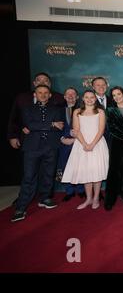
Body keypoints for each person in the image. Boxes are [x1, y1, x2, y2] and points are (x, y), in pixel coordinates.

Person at [11, 85, 64, 222]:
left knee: (48, 174)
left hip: (51, 146)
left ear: (50, 95)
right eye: (40, 92)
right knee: (29, 177)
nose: (43, 95)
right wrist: (52, 124)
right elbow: (30, 125)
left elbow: (61, 126)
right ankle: (21, 207)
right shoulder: (27, 109)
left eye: (46, 93)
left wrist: (39, 126)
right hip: (32, 147)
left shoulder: (57, 109)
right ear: (35, 94)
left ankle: (45, 198)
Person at [61, 90, 109, 210]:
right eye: (86, 97)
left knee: (97, 172)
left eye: (92, 97)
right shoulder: (77, 112)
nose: (89, 99)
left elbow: (101, 130)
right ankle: (88, 199)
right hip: (81, 145)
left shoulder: (100, 111)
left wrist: (92, 144)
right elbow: (76, 130)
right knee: (86, 172)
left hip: (97, 144)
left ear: (95, 98)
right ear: (82, 98)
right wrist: (84, 144)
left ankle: (96, 198)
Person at [8, 72, 65, 150]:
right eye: (39, 80)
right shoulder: (22, 98)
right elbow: (14, 118)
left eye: (45, 80)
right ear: (34, 83)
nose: (42, 82)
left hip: (51, 144)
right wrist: (13, 136)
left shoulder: (59, 98)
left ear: (50, 84)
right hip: (28, 140)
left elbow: (61, 122)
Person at [57, 87, 85, 202]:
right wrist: (62, 138)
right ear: (64, 97)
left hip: (79, 142)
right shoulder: (58, 110)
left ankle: (81, 189)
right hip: (64, 143)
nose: (70, 96)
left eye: (73, 94)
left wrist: (76, 140)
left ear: (77, 97)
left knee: (80, 166)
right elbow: (55, 127)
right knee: (65, 166)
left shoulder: (82, 110)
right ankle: (69, 191)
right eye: (68, 94)